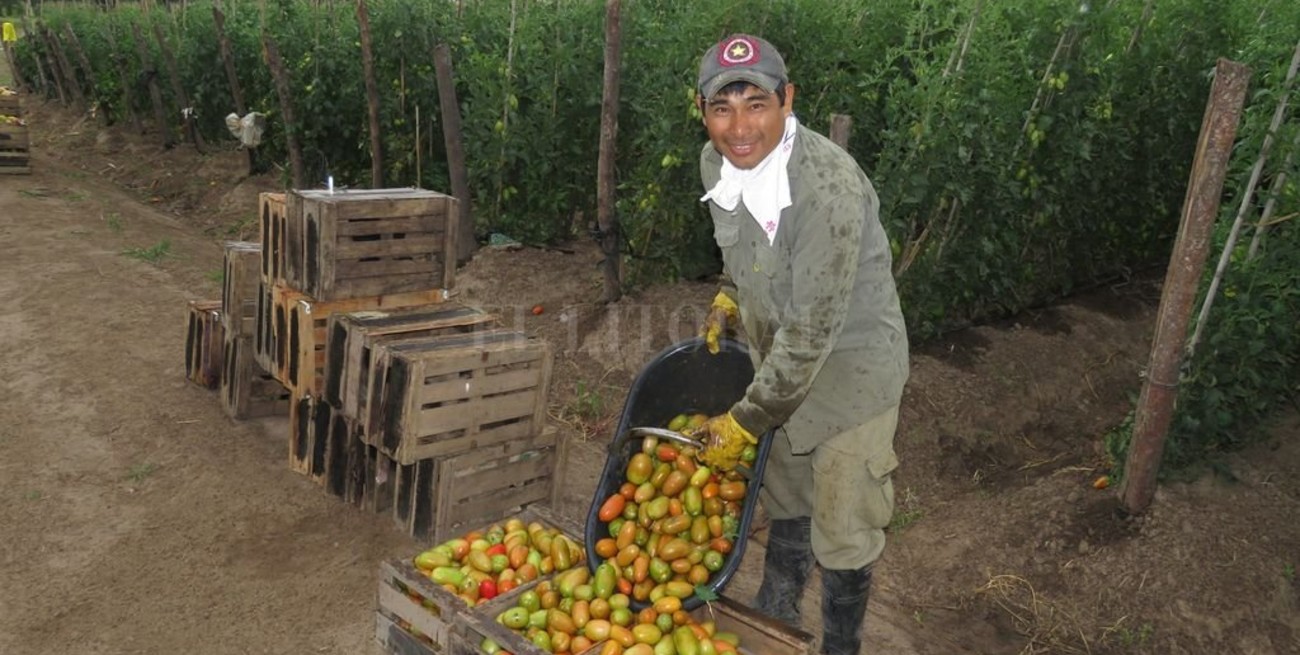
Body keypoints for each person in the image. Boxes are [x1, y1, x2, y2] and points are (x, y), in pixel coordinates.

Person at [689, 34, 910, 655]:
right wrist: (731, 293)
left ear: (787, 101)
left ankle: (841, 645)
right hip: (778, 366)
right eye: (721, 108)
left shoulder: (826, 191)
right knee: (786, 492)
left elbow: (813, 334)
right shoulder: (718, 164)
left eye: (756, 104)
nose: (739, 128)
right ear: (702, 111)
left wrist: (743, 421)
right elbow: (740, 248)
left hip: (849, 379)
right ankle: (776, 612)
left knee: (843, 523)